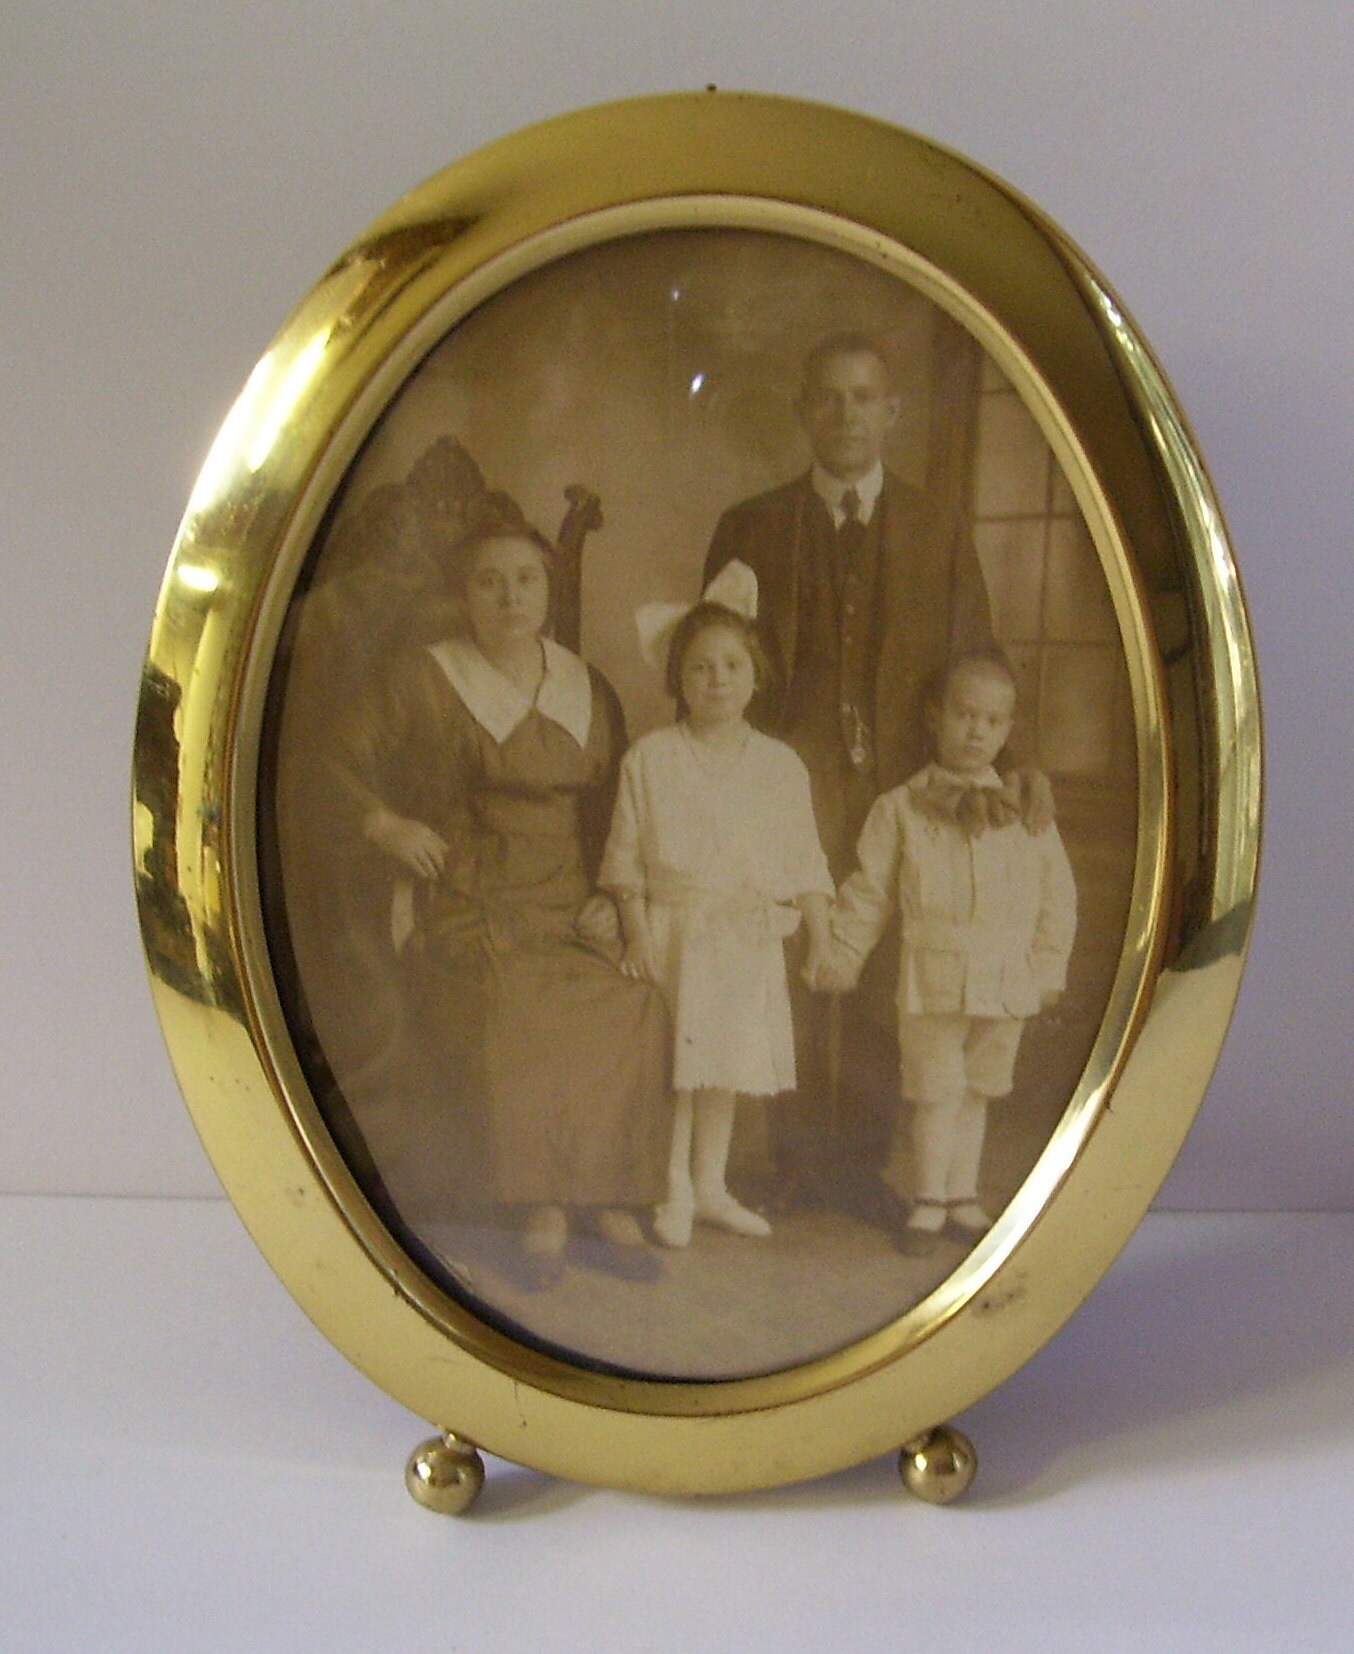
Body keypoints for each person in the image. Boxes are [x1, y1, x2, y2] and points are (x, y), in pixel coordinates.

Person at [325, 496, 673, 1269]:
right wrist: (384, 825)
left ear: (548, 590)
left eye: (525, 579)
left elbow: (614, 813)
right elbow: (333, 761)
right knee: (514, 1000)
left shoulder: (588, 685)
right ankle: (540, 1206)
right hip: (466, 901)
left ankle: (608, 1201)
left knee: (633, 1000)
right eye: (489, 581)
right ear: (464, 593)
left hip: (566, 903)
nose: (510, 597)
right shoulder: (425, 676)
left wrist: (608, 897)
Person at [701, 330, 998, 1222]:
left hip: (906, 783)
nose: (846, 414)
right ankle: (794, 1158)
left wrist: (992, 775)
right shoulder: (750, 525)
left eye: (864, 397)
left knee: (885, 969)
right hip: (786, 781)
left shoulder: (938, 526)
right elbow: (709, 660)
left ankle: (867, 1163)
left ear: (892, 411)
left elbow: (977, 658)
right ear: (804, 411)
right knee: (793, 949)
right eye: (828, 397)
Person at [598, 564, 835, 1247]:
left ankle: (711, 1185)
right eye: (700, 668)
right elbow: (625, 862)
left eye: (733, 666)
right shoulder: (651, 758)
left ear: (757, 676)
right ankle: (671, 1187)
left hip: (743, 937)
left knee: (723, 1068)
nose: (718, 680)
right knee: (680, 1067)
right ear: (677, 679)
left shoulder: (780, 766)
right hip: (674, 931)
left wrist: (820, 938)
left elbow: (806, 861)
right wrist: (636, 934)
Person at [818, 650, 1077, 1254]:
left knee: (979, 1088)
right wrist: (843, 953)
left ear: (1008, 729)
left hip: (1006, 977)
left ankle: (962, 1196)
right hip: (933, 977)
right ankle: (928, 1199)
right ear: (936, 717)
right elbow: (869, 890)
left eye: (992, 720)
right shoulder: (901, 807)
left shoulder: (1026, 810)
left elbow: (1056, 895)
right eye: (963, 715)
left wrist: (1048, 966)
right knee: (936, 1089)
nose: (975, 731)